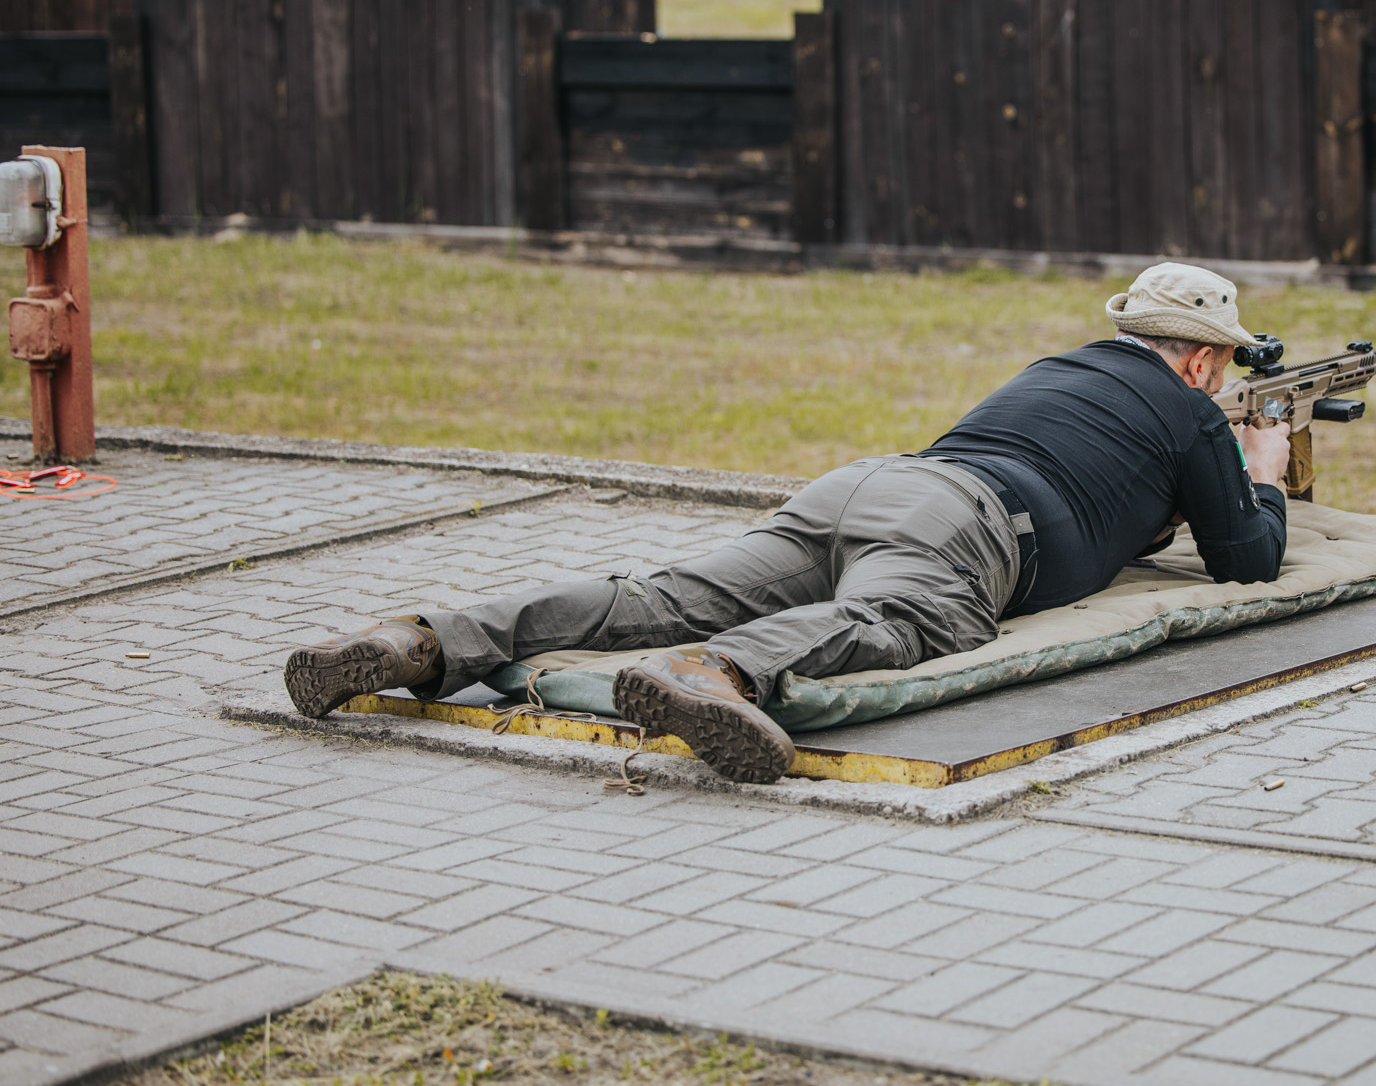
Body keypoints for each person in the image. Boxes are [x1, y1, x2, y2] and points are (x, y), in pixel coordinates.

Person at [284, 262, 1293, 783]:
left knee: (654, 596)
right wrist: (1266, 472)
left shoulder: (1054, 367)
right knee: (906, 625)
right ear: (1205, 360)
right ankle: (713, 672)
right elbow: (1244, 560)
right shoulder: (1193, 409)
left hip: (863, 485)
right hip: (967, 526)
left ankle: (416, 640)